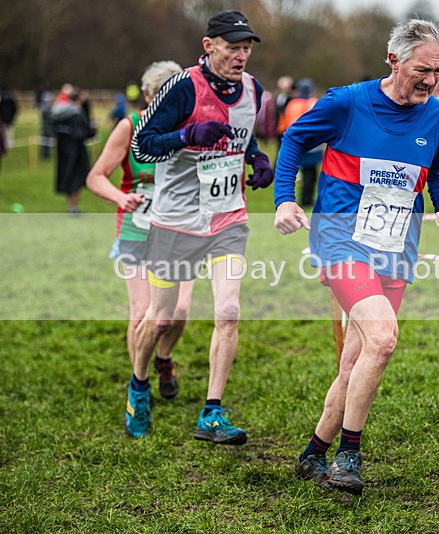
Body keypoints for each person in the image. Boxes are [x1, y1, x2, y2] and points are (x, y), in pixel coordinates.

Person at [274, 19, 439, 496]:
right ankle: (349, 454)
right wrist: (283, 198)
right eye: (423, 69)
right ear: (393, 60)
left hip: (396, 247)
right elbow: (294, 139)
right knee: (382, 340)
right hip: (341, 242)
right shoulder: (346, 103)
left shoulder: (438, 116)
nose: (431, 80)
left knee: (355, 361)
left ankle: (314, 452)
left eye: (438, 71)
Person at [128, 10, 273, 442]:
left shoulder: (253, 88)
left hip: (227, 216)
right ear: (209, 47)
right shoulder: (182, 86)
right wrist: (186, 137)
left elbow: (244, 136)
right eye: (232, 47)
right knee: (161, 318)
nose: (241, 55)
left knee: (228, 311)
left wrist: (257, 159)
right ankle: (138, 385)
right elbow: (143, 145)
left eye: (246, 47)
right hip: (175, 220)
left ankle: (212, 412)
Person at [87, 60, 191, 399]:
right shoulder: (130, 127)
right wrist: (121, 197)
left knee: (179, 312)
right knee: (144, 312)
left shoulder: (190, 128)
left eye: (171, 95)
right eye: (158, 95)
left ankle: (163, 359)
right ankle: (140, 385)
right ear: (146, 96)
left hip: (181, 229)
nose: (163, 102)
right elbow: (96, 176)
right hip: (137, 228)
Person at [278, 77, 323, 207]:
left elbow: (286, 123)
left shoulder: (292, 104)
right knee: (311, 173)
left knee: (293, 172)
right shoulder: (315, 103)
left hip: (295, 144)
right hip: (313, 145)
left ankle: (294, 198)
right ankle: (306, 199)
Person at [51, 84, 96, 215]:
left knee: (67, 176)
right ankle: (73, 207)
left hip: (62, 149)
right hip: (76, 150)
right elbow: (85, 133)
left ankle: (70, 206)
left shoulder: (58, 112)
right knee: (76, 178)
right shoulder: (76, 114)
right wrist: (92, 128)